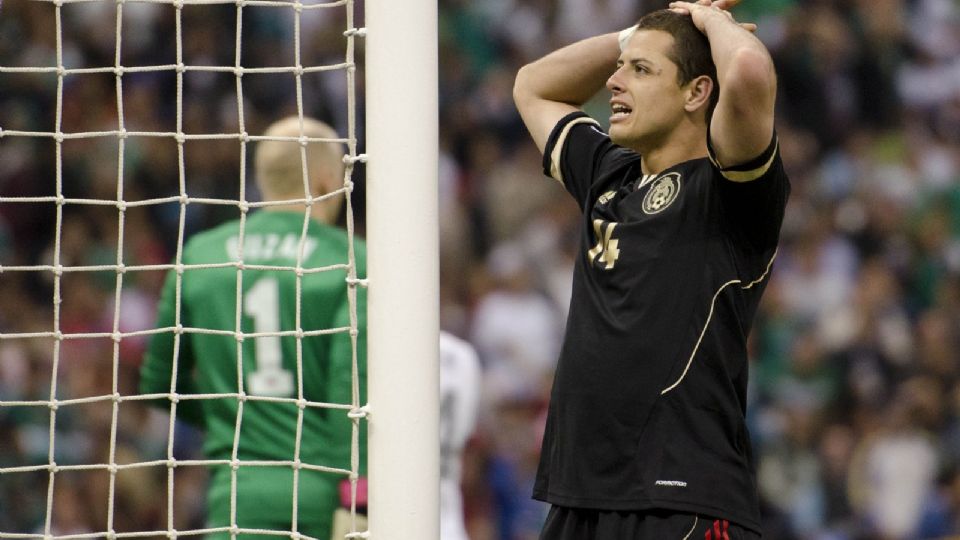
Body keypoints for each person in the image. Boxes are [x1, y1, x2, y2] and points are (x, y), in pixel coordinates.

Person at [512, 0, 788, 538]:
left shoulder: (732, 191)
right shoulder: (606, 172)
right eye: (622, 67)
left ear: (696, 92)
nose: (614, 81)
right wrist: (637, 35)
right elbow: (533, 85)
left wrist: (710, 21)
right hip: (579, 495)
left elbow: (750, 71)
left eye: (641, 71)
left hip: (679, 499)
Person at [140, 116, 366, 540]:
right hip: (320, 496)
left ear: (264, 179)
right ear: (326, 179)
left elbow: (157, 381)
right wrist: (361, 498)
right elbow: (350, 389)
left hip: (237, 495)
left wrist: (235, 412)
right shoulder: (351, 262)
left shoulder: (201, 255)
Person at [439, 331, 482, 540]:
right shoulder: (463, 354)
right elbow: (469, 446)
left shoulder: (384, 349)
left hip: (391, 507)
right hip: (448, 512)